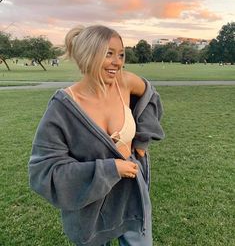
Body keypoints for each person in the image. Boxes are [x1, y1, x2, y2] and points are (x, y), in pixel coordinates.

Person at [29, 25, 165, 246]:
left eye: (121, 54)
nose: (117, 62)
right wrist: (109, 169)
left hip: (131, 191)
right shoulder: (63, 106)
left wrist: (142, 137)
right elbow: (44, 170)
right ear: (87, 54)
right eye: (108, 54)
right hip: (90, 203)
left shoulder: (124, 82)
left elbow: (151, 96)